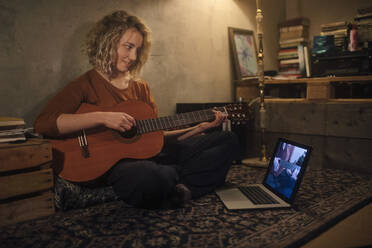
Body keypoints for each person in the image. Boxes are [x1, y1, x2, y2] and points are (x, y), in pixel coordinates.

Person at [34, 10, 239, 209]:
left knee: (226, 140)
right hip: (115, 166)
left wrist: (197, 128)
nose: (132, 56)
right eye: (128, 47)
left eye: (137, 50)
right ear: (108, 42)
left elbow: (155, 138)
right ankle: (177, 180)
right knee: (149, 175)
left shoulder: (140, 87)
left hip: (149, 157)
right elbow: (43, 123)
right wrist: (102, 117)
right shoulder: (84, 85)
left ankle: (181, 188)